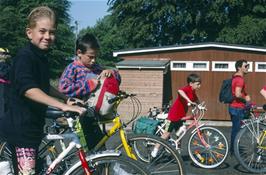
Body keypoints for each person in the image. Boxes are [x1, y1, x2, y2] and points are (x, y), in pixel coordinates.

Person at [0, 6, 85, 175]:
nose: (48, 36)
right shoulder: (25, 57)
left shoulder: (40, 56)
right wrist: (62, 106)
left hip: (32, 126)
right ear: (29, 33)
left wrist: (65, 98)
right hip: (22, 129)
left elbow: (42, 85)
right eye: (42, 31)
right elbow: (29, 89)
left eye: (52, 32)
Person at [58, 33, 120, 150]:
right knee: (89, 147)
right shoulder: (73, 68)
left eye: (95, 57)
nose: (93, 60)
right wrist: (87, 86)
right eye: (90, 57)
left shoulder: (96, 68)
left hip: (94, 113)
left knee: (99, 145)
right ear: (79, 53)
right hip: (79, 113)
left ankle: (104, 166)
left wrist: (111, 72)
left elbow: (113, 79)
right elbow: (63, 88)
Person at [151, 73, 201, 157]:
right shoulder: (187, 89)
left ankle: (177, 151)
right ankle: (155, 149)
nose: (199, 86)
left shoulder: (193, 91)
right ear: (191, 83)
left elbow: (196, 99)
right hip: (173, 115)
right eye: (198, 84)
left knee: (179, 134)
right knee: (166, 134)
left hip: (181, 117)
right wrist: (188, 100)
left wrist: (199, 105)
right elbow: (180, 91)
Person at [228, 59, 251, 155]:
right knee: (237, 131)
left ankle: (233, 150)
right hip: (237, 108)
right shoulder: (240, 79)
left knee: (235, 129)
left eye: (248, 66)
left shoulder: (234, 78)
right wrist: (246, 98)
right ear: (239, 67)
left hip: (233, 107)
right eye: (245, 66)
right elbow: (237, 94)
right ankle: (234, 150)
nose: (247, 68)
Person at [0, 48, 11, 119]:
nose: (5, 55)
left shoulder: (7, 64)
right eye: (3, 54)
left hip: (7, 86)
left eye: (6, 54)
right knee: (3, 103)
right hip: (2, 86)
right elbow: (3, 74)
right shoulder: (3, 64)